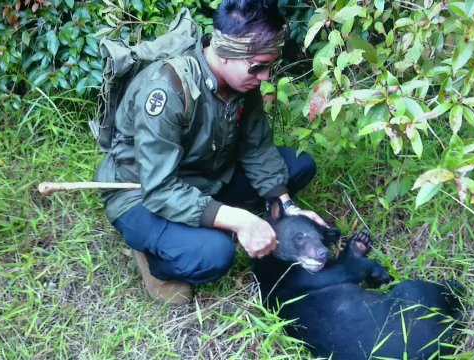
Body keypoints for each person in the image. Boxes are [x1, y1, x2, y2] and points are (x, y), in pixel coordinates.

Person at [94, 0, 327, 304]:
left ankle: (215, 217)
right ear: (226, 54)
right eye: (258, 67)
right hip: (143, 192)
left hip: (206, 173)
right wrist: (240, 221)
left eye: (269, 65)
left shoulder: (243, 80)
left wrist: (288, 209)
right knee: (215, 254)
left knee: (299, 166)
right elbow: (160, 188)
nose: (266, 77)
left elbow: (256, 147)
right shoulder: (165, 91)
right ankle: (154, 261)